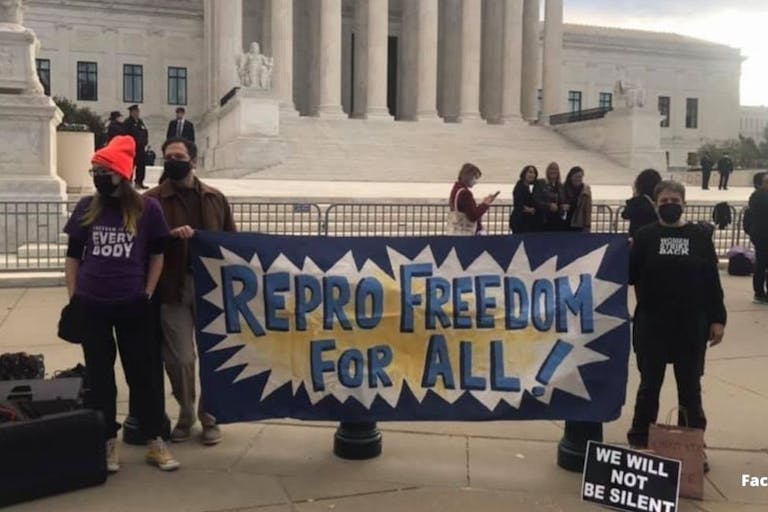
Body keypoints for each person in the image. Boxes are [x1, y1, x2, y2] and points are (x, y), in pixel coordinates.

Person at [63, 135, 180, 472]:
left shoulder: (148, 209)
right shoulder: (87, 207)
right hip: (92, 303)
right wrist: (74, 297)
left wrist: (147, 292)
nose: (96, 174)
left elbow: (158, 255)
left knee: (143, 375)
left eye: (102, 169)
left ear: (120, 173)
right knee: (100, 379)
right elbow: (73, 257)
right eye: (94, 169)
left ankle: (155, 440)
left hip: (132, 304)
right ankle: (106, 442)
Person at [627, 181, 726, 471]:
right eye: (664, 200)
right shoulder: (645, 236)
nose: (669, 204)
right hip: (653, 322)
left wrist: (718, 318)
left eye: (674, 199)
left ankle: (692, 446)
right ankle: (640, 440)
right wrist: (624, 251)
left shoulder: (699, 237)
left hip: (691, 324)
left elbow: (712, 281)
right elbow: (629, 275)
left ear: (683, 203)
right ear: (656, 204)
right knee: (649, 387)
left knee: (690, 389)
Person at [145, 137, 237, 445]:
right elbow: (141, 245)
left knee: (213, 357)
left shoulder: (215, 198)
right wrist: (168, 237)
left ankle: (210, 416)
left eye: (179, 156)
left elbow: (231, 243)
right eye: (168, 156)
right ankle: (186, 412)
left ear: (193, 161)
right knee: (180, 358)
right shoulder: (152, 200)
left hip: (210, 288)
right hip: (173, 287)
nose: (174, 160)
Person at [447, 163, 497, 235]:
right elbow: (473, 216)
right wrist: (485, 204)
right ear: (469, 177)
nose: (476, 182)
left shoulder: (456, 188)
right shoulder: (465, 193)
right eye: (475, 178)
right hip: (465, 232)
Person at [622, 168, 662, 238]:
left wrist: (634, 197)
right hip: (656, 235)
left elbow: (625, 214)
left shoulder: (637, 201)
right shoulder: (660, 200)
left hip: (637, 236)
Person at [748, 171, 768, 304]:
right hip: (762, 235)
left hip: (760, 234)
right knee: (761, 263)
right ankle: (759, 293)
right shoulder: (759, 196)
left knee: (762, 263)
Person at [534, 162, 567, 231]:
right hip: (543, 220)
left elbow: (562, 202)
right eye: (551, 169)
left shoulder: (561, 186)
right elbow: (536, 200)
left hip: (557, 221)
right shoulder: (540, 183)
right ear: (547, 171)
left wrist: (563, 207)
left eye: (556, 169)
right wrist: (549, 206)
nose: (553, 171)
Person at [124, 104, 149, 190]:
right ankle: (128, 182)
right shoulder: (127, 122)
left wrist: (145, 142)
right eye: (135, 112)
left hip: (141, 148)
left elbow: (145, 132)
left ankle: (139, 182)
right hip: (131, 148)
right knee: (130, 166)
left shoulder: (140, 122)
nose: (137, 113)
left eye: (138, 111)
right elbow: (125, 135)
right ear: (131, 112)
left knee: (141, 166)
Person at [510, 165, 540, 233]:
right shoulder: (519, 186)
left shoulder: (532, 186)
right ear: (524, 173)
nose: (532, 175)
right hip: (520, 221)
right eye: (530, 172)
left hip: (529, 221)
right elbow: (518, 203)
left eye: (534, 173)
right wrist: (528, 209)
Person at [563, 166, 592, 232]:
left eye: (580, 177)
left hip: (578, 223)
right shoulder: (563, 187)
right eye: (576, 176)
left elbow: (588, 209)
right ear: (571, 177)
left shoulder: (585, 190)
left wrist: (587, 225)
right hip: (564, 222)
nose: (578, 179)